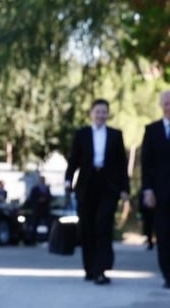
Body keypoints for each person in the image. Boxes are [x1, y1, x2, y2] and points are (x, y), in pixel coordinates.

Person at [64, 98, 129, 285]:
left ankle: (101, 270)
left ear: (108, 114)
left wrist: (124, 189)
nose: (101, 115)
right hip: (87, 185)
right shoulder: (82, 134)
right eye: (97, 111)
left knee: (103, 226)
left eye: (104, 112)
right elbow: (73, 159)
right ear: (91, 113)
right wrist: (68, 180)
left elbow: (121, 165)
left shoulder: (116, 135)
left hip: (108, 185)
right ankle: (90, 268)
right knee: (87, 227)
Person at [139, 90, 170, 288]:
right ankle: (168, 274)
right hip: (159, 193)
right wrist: (147, 190)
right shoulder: (152, 130)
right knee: (164, 234)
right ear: (161, 106)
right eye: (166, 103)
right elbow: (146, 163)